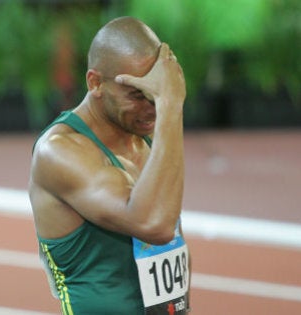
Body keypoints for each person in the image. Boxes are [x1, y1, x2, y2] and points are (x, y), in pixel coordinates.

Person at [29, 16, 191, 314]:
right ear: (95, 83)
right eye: (137, 94)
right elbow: (154, 224)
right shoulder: (60, 151)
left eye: (156, 92)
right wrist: (171, 103)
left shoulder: (147, 139)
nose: (151, 106)